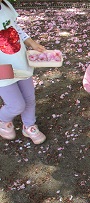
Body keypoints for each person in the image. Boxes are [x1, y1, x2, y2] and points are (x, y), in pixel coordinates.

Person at [0, 0, 46, 144]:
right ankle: (3, 120)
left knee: (29, 98)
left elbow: (16, 28)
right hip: (2, 70)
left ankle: (29, 125)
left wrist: (32, 44)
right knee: (16, 105)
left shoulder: (5, 5)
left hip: (20, 62)